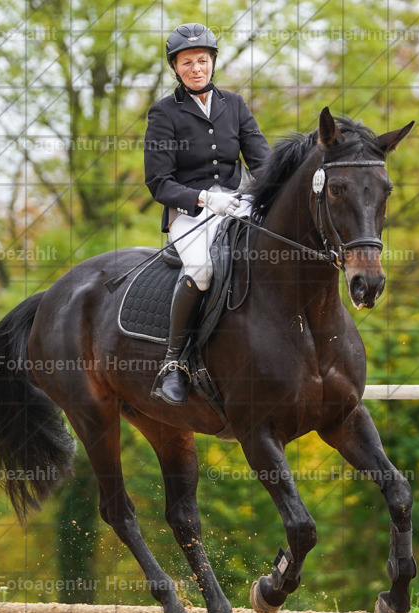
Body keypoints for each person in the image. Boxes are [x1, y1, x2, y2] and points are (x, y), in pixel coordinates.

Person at [144, 22, 270, 406]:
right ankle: (174, 363)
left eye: (202, 60)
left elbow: (263, 161)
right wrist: (203, 199)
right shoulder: (164, 113)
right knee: (201, 269)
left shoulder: (235, 105)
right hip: (189, 212)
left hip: (236, 202)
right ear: (175, 68)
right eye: (187, 62)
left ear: (212, 62)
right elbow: (158, 183)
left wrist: (258, 193)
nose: (196, 68)